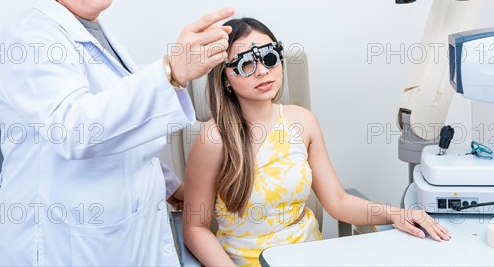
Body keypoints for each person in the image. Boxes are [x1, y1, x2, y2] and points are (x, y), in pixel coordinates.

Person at [0, 0, 234, 266]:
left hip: (118, 236)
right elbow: (74, 130)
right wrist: (169, 71)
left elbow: (121, 131)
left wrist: (169, 185)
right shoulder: (28, 37)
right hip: (63, 244)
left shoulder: (96, 33)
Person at [183, 18, 451, 266]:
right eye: (246, 64)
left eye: (269, 57)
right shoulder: (214, 138)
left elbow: (337, 200)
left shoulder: (303, 123)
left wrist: (395, 214)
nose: (262, 71)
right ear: (226, 79)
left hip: (309, 257)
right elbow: (195, 228)